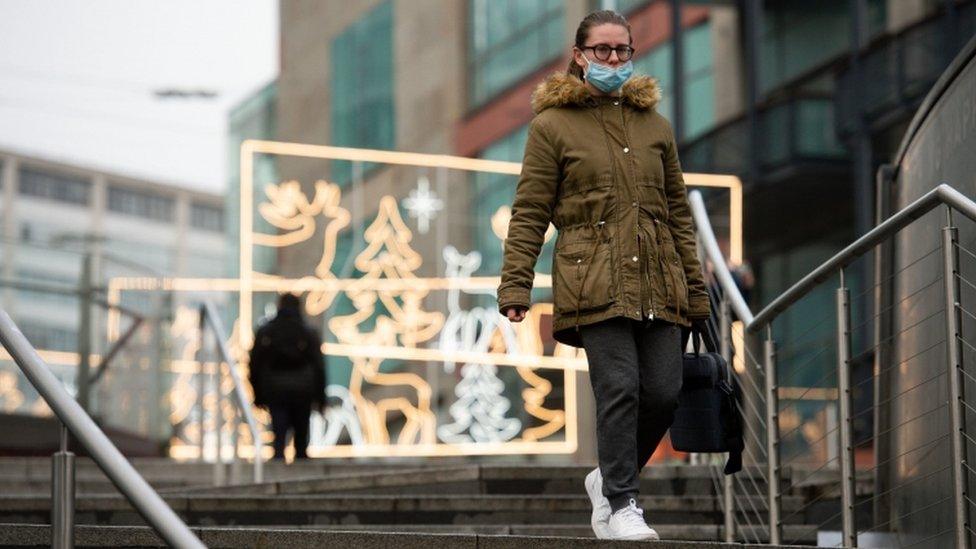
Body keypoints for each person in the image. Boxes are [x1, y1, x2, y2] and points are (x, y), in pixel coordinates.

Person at [496, 10, 711, 541]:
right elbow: (530, 211)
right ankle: (622, 503)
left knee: (663, 392)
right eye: (602, 51)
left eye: (623, 50)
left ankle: (607, 480)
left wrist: (697, 290)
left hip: (661, 282)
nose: (613, 60)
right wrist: (515, 285)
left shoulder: (655, 126)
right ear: (579, 55)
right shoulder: (552, 126)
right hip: (592, 278)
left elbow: (678, 212)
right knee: (619, 388)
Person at [248, 293, 326, 460]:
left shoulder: (267, 331)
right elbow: (319, 366)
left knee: (279, 431)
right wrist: (321, 398)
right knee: (301, 436)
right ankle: (301, 465)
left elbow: (255, 364)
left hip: (275, 389)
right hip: (303, 389)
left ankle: (278, 461)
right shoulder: (308, 332)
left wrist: (257, 394)